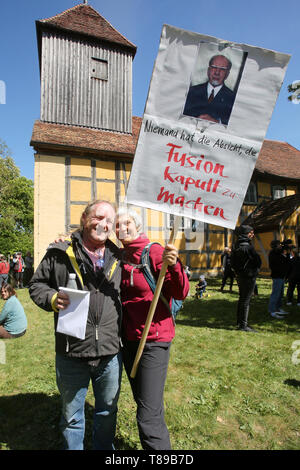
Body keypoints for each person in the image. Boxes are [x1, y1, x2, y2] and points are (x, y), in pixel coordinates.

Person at [29, 200, 123, 450]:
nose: (103, 224)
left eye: (109, 222)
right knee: (72, 418)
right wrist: (51, 298)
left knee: (107, 413)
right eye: (98, 217)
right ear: (84, 218)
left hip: (110, 353)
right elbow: (36, 285)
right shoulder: (60, 251)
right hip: (72, 351)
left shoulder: (119, 255)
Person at [115, 207, 189, 450]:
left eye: (126, 223)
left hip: (154, 340)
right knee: (146, 404)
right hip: (129, 340)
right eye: (117, 225)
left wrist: (174, 265)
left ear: (137, 226)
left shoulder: (155, 252)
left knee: (147, 415)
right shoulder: (120, 256)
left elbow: (181, 292)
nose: (121, 228)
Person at [183, 54, 236, 125]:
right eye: (214, 67)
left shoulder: (232, 98)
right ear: (208, 70)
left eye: (222, 69)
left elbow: (234, 126)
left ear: (227, 74)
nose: (217, 72)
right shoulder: (192, 91)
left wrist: (217, 123)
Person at [230, 225, 261, 332]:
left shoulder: (235, 246)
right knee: (246, 300)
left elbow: (232, 263)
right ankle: (243, 325)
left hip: (240, 276)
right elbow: (258, 261)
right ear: (246, 234)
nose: (252, 235)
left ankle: (239, 322)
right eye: (250, 233)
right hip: (248, 277)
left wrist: (238, 272)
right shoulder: (248, 247)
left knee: (242, 298)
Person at [268, 240, 290, 319]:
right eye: (279, 245)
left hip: (281, 276)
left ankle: (278, 308)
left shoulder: (279, 253)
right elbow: (277, 262)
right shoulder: (273, 254)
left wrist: (287, 252)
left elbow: (286, 261)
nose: (280, 246)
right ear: (275, 246)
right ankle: (272, 310)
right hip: (277, 276)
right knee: (275, 294)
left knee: (280, 294)